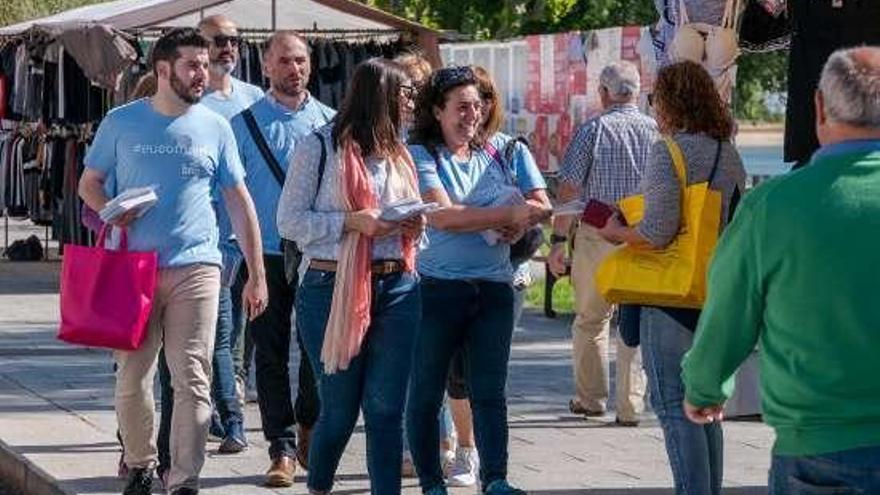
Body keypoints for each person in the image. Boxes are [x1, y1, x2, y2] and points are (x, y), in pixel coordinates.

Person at [77, 28, 267, 495]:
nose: (203, 73)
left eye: (205, 64)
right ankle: (141, 464)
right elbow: (89, 183)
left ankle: (184, 479)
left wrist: (257, 274)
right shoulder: (121, 122)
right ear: (163, 70)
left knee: (193, 377)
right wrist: (114, 211)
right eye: (192, 65)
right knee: (132, 377)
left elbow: (240, 202)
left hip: (198, 267)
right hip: (131, 269)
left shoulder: (216, 126)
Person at [682, 46, 880, 494]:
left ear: (818, 107)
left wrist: (705, 387)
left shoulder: (772, 208)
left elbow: (726, 315)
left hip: (819, 449)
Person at [596, 60, 745, 494]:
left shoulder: (670, 150)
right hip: (714, 288)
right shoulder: (727, 151)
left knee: (672, 402)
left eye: (655, 98)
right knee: (703, 401)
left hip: (671, 295)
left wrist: (615, 231)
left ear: (670, 102)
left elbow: (657, 233)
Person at [277, 57, 424, 495]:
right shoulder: (319, 147)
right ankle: (319, 485)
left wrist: (416, 226)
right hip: (329, 288)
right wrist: (351, 223)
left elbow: (410, 220)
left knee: (385, 410)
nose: (412, 103)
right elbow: (289, 221)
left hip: (399, 285)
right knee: (339, 411)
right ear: (379, 98)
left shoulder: (400, 154)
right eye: (404, 94)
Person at [406, 65, 551, 495]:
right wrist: (506, 214)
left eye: (478, 105)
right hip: (436, 288)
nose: (472, 114)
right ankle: (432, 482)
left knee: (490, 391)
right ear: (437, 111)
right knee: (428, 390)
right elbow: (445, 216)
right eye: (461, 107)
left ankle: (496, 479)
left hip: (493, 287)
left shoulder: (505, 150)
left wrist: (521, 223)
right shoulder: (420, 154)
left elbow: (541, 203)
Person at [153, 16, 266, 473]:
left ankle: (218, 431)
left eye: (236, 41)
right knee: (185, 355)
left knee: (223, 342)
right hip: (170, 252)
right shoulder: (160, 109)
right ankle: (156, 450)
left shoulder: (251, 99)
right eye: (219, 41)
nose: (228, 49)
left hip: (226, 245)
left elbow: (243, 187)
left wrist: (258, 266)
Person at [229, 30, 333, 488]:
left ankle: (309, 426)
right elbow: (229, 194)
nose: (295, 69)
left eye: (302, 61)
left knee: (318, 352)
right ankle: (281, 448)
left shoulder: (331, 122)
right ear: (266, 66)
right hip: (265, 255)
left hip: (316, 255)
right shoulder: (244, 124)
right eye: (285, 61)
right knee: (269, 354)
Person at [548, 61, 652, 427]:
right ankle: (631, 406)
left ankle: (591, 400)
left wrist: (559, 239)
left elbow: (570, 189)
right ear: (637, 92)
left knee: (592, 319)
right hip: (643, 235)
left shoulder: (592, 129)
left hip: (597, 232)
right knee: (634, 322)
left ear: (604, 93)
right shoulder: (657, 131)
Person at [393, 51, 458, 480]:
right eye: (402, 90)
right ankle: (423, 441)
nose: (407, 98)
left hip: (431, 259)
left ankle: (440, 436)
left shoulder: (428, 143)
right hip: (403, 259)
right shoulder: (387, 135)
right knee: (411, 360)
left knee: (426, 360)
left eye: (414, 89)